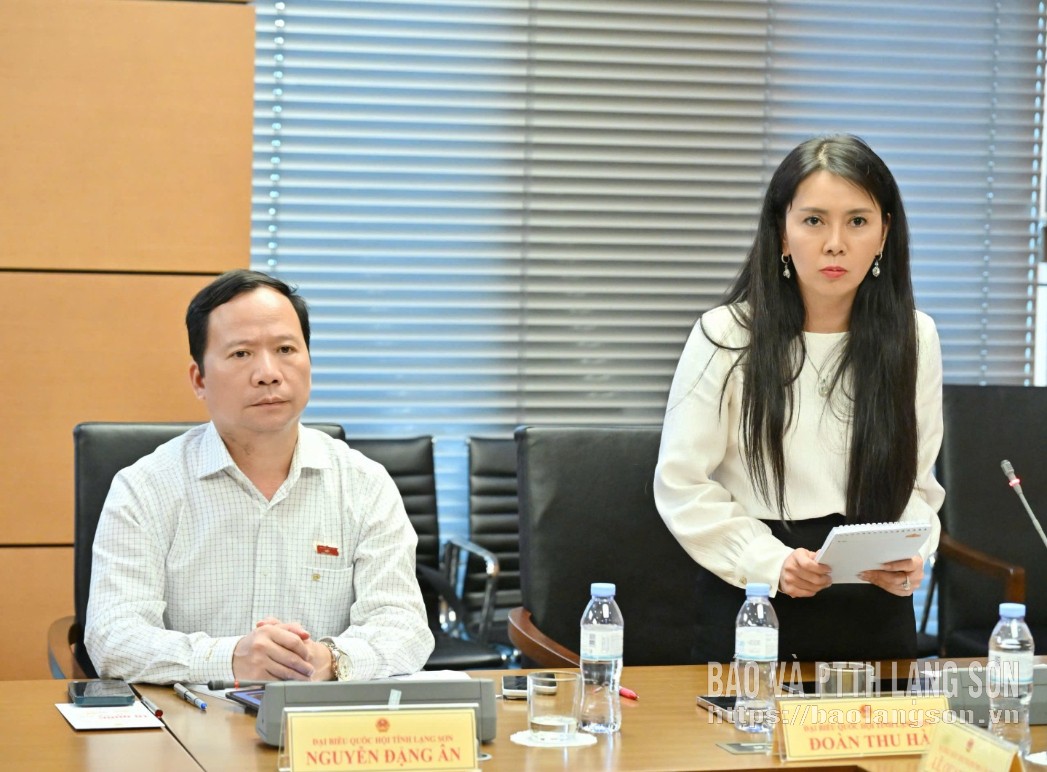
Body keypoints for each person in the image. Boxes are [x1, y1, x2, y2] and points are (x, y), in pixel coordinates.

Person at [654, 135, 944, 663]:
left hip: (874, 604)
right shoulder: (726, 335)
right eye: (813, 220)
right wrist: (770, 562)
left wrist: (911, 554)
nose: (835, 243)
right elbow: (681, 484)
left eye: (857, 221)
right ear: (782, 234)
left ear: (884, 234)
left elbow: (918, 485)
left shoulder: (915, 338)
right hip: (755, 598)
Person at [85, 270, 434, 683]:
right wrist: (231, 658)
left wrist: (329, 659)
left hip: (321, 717)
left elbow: (405, 626)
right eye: (241, 354)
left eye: (286, 349)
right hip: (190, 717)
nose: (268, 373)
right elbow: (112, 636)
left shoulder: (364, 484)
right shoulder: (145, 488)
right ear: (199, 379)